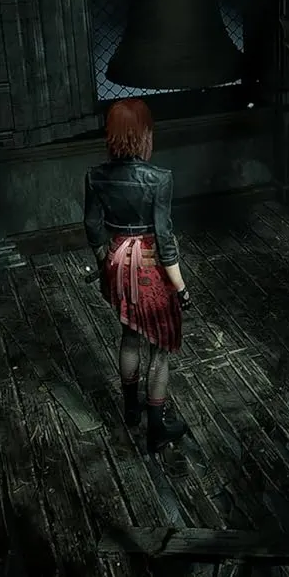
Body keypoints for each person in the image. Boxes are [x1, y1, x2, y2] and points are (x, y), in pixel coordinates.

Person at [82, 98, 190, 452]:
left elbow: (92, 227)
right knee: (160, 346)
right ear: (145, 134)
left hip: (116, 261)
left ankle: (131, 411)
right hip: (149, 266)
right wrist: (181, 288)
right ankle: (156, 430)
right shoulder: (160, 179)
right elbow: (165, 238)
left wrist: (106, 262)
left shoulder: (95, 176)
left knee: (129, 334)